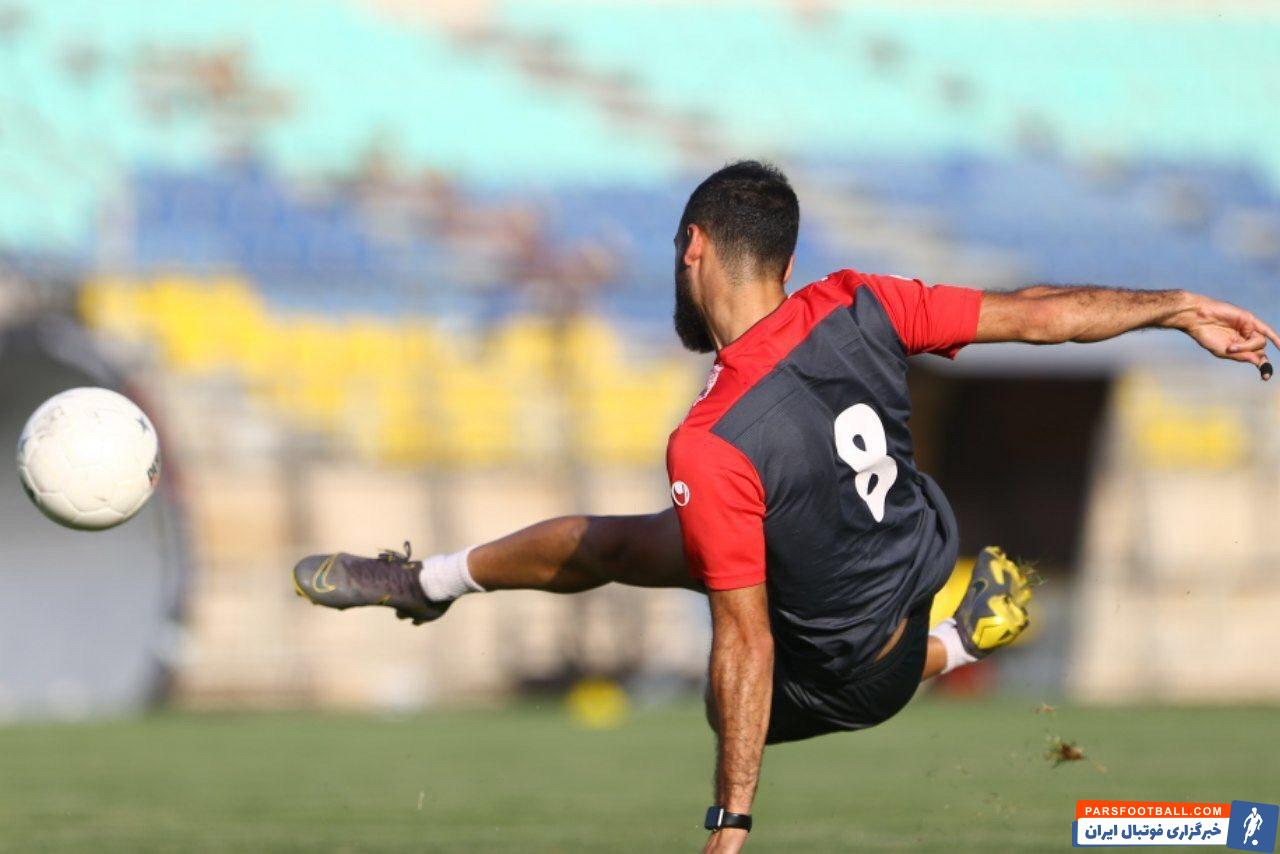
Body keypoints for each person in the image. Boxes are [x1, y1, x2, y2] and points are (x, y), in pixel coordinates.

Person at [292, 161, 1278, 853]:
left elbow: (747, 646)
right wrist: (1175, 301)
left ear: (692, 248)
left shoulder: (712, 438)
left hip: (857, 670)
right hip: (904, 550)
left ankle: (962, 640)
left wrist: (731, 824)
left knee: (726, 702)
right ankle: (427, 580)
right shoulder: (860, 300)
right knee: (616, 541)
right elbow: (1037, 314)